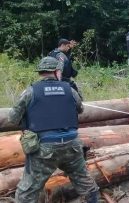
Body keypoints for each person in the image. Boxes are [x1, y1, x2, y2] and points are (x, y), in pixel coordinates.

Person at [8, 57, 99, 203]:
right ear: (57, 71)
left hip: (44, 147)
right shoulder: (69, 90)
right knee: (85, 182)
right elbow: (80, 109)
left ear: (40, 73)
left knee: (27, 191)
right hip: (72, 145)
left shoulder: (30, 91)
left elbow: (12, 118)